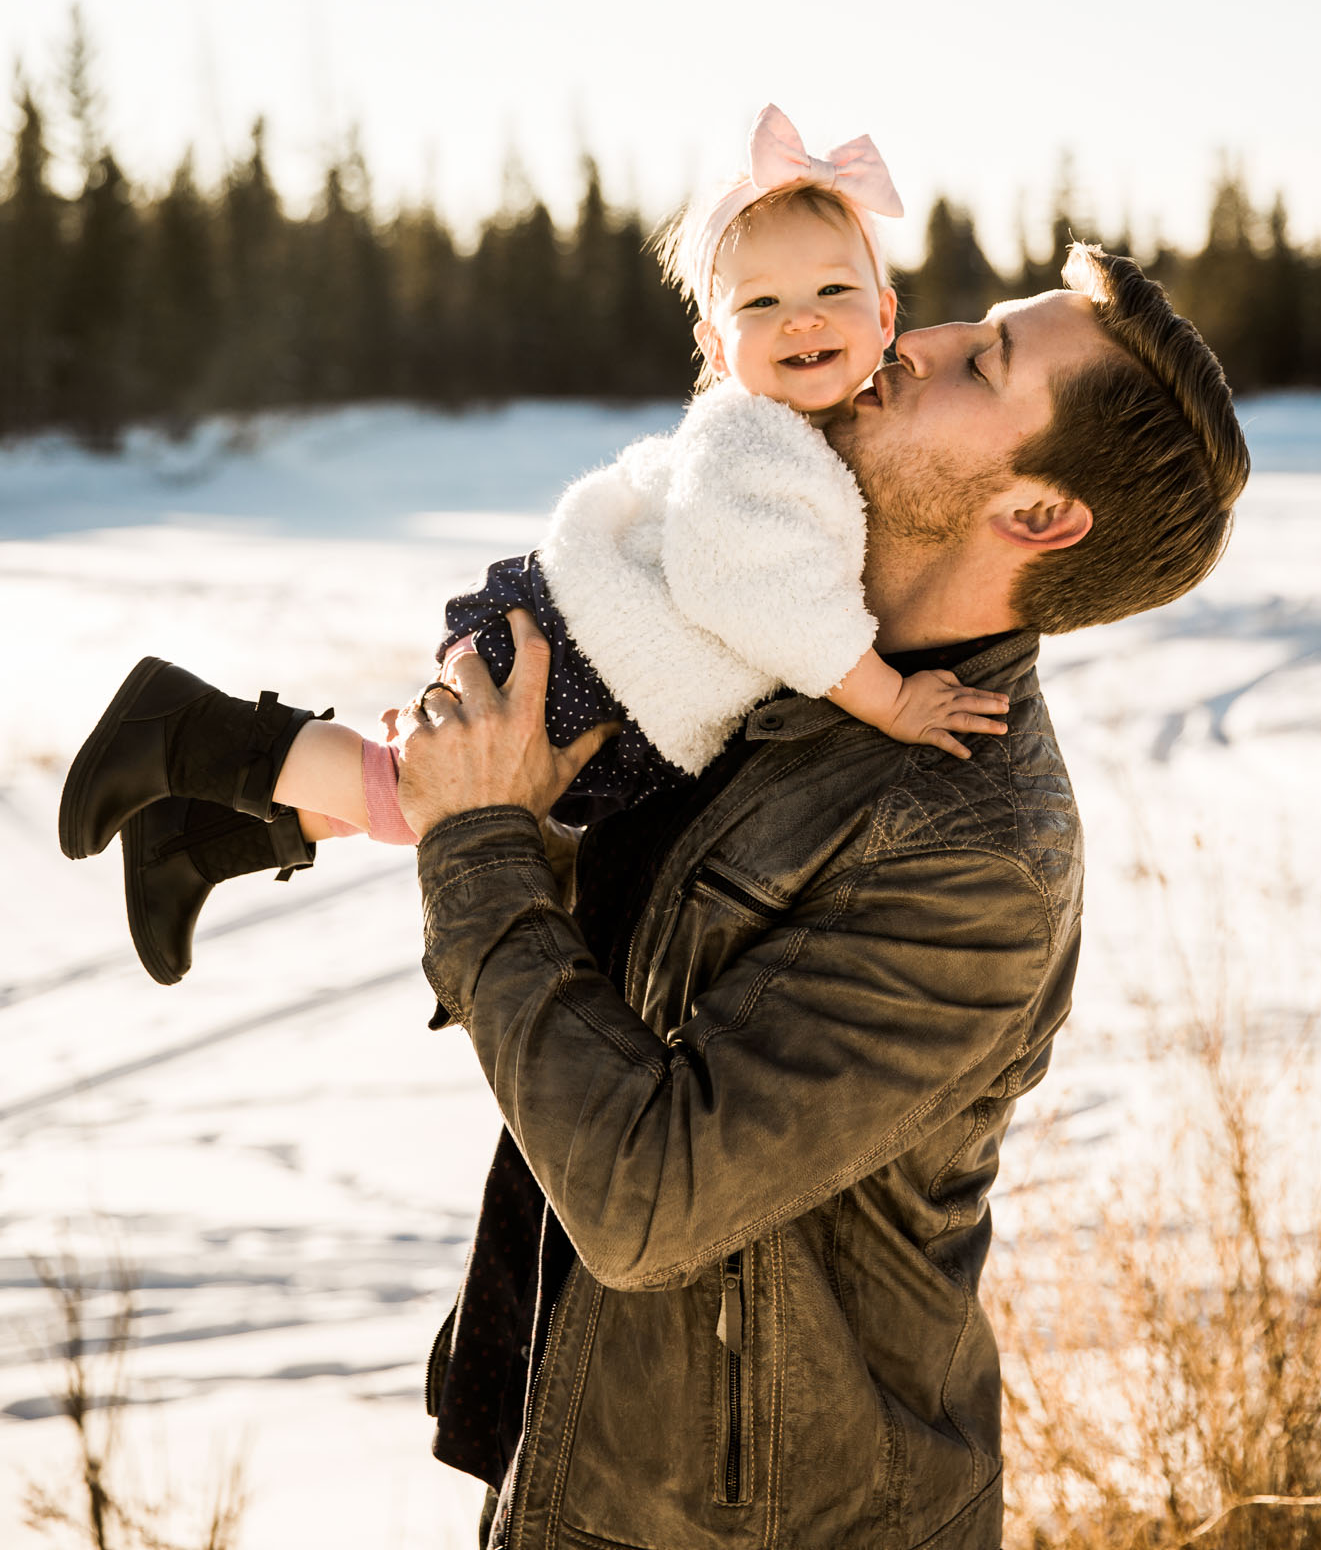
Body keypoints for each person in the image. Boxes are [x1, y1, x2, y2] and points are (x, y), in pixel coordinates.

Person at [385, 239, 1248, 1549]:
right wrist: (523, 816)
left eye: (985, 360)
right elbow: (637, 993)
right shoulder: (776, 664)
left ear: (1035, 515)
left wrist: (483, 857)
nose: (914, 338)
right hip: (599, 1470)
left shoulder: (973, 856)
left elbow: (648, 1194)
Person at [57, 106, 1006, 985]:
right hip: (589, 656)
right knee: (427, 794)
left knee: (415, 796)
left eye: (833, 289)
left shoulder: (807, 437)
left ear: (886, 318)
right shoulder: (752, 440)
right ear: (717, 348)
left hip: (600, 650)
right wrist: (885, 700)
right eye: (761, 305)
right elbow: (756, 592)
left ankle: (197, 835)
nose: (802, 317)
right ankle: (185, 729)